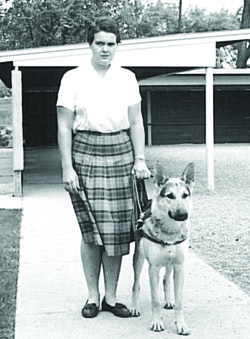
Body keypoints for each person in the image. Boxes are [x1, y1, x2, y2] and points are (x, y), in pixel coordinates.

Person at [56, 17, 150, 319]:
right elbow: (63, 126)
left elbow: (136, 122)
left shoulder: (126, 78)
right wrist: (67, 167)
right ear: (90, 44)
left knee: (117, 232)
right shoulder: (72, 78)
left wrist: (140, 159)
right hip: (85, 153)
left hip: (121, 152)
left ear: (117, 45)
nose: (106, 49)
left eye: (111, 43)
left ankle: (111, 296)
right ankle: (93, 296)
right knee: (91, 231)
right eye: (100, 43)